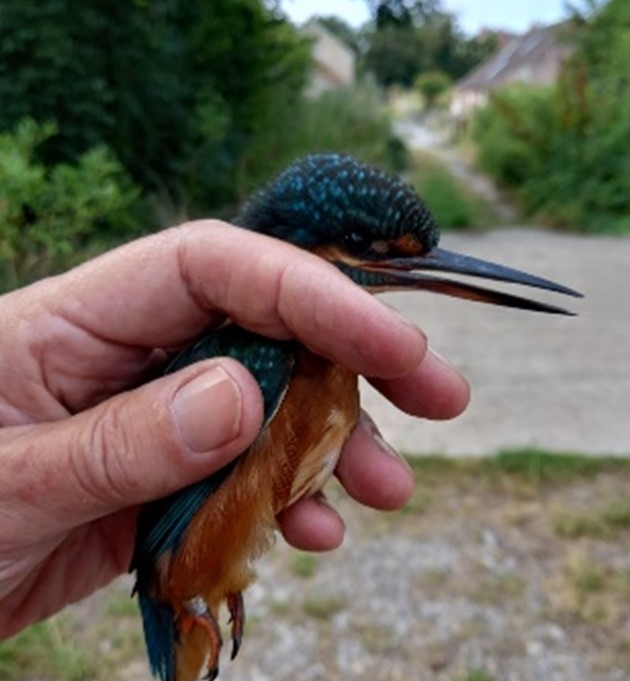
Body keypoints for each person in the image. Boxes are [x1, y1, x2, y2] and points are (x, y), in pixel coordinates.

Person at [0, 220, 470, 639]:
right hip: (171, 561)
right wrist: (176, 581)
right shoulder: (264, 355)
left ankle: (205, 587)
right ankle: (190, 599)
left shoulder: (331, 362)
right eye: (365, 244)